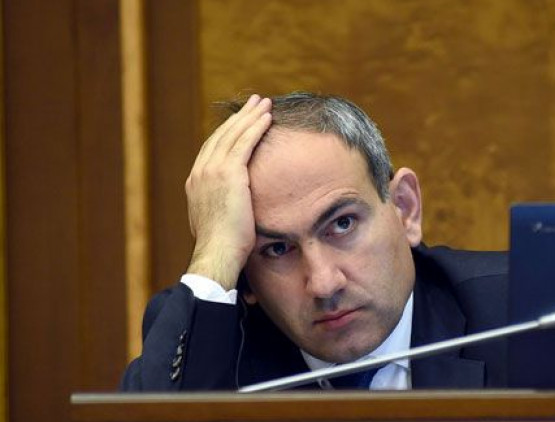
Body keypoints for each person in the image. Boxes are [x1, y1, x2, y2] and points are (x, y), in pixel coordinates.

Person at [121, 92, 508, 391]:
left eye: (342, 224)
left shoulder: (516, 312)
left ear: (405, 209)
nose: (324, 284)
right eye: (277, 249)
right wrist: (214, 256)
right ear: (246, 279)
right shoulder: (210, 342)